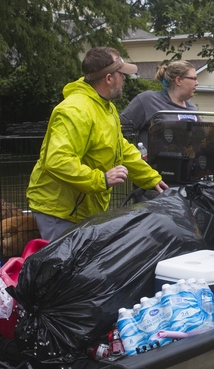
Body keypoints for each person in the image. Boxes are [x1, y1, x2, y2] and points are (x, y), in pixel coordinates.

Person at [26, 47, 168, 240]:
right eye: (121, 74)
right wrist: (101, 179)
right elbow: (57, 160)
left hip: (83, 209)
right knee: (63, 268)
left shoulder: (105, 108)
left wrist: (151, 179)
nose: (125, 79)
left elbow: (122, 150)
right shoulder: (75, 110)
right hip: (60, 212)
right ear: (109, 78)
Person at [119, 60, 200, 147]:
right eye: (193, 79)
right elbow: (118, 129)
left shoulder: (192, 107)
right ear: (178, 80)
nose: (197, 83)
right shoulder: (148, 100)